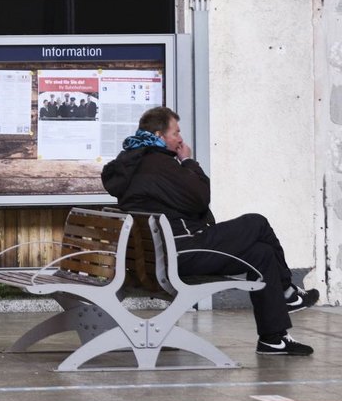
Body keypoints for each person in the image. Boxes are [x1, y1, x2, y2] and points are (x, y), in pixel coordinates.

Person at [101, 106, 319, 356]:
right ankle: (287, 292)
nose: (180, 139)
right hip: (182, 252)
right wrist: (189, 162)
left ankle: (273, 338)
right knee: (257, 222)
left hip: (164, 254)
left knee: (261, 254)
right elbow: (200, 197)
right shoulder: (159, 164)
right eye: (176, 133)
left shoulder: (133, 164)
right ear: (160, 136)